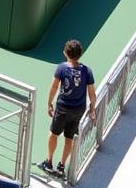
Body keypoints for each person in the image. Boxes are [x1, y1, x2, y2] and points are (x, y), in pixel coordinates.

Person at [40, 39, 96, 180]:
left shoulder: (61, 68)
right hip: (78, 111)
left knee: (53, 134)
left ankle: (48, 162)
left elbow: (54, 87)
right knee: (69, 138)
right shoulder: (87, 71)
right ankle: (61, 167)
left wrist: (49, 103)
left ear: (65, 52)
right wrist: (92, 108)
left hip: (63, 108)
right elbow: (92, 93)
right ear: (80, 54)